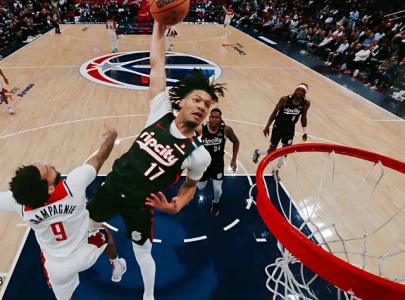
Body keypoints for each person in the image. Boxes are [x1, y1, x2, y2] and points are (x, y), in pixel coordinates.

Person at [86, 21, 227, 300]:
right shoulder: (160, 111)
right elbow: (156, 63)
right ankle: (115, 261)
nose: (201, 106)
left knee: (144, 252)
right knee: (88, 228)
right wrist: (159, 25)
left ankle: (148, 296)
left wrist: (178, 206)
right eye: (197, 100)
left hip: (142, 203)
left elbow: (190, 184)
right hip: (112, 188)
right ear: (182, 102)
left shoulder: (199, 154)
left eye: (207, 104)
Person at [0, 126, 126, 300]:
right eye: (48, 169)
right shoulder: (73, 185)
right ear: (51, 188)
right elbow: (100, 157)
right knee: (106, 233)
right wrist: (111, 137)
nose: (51, 165)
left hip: (57, 267)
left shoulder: (17, 203)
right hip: (85, 251)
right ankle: (117, 266)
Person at [252, 84, 310, 181]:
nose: (299, 92)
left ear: (305, 93)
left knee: (285, 152)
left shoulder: (306, 103)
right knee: (272, 151)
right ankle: (258, 151)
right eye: (298, 89)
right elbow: (274, 112)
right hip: (278, 127)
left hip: (290, 129)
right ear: (295, 90)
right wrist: (267, 126)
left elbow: (303, 117)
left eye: (301, 90)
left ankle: (276, 170)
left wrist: (305, 131)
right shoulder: (285, 99)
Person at [196, 108, 240, 216]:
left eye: (217, 117)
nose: (214, 119)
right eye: (212, 117)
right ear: (209, 117)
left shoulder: (226, 130)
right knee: (200, 187)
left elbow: (236, 142)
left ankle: (215, 203)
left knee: (217, 188)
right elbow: (189, 144)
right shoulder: (201, 129)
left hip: (217, 164)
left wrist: (233, 160)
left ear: (220, 119)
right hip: (203, 164)